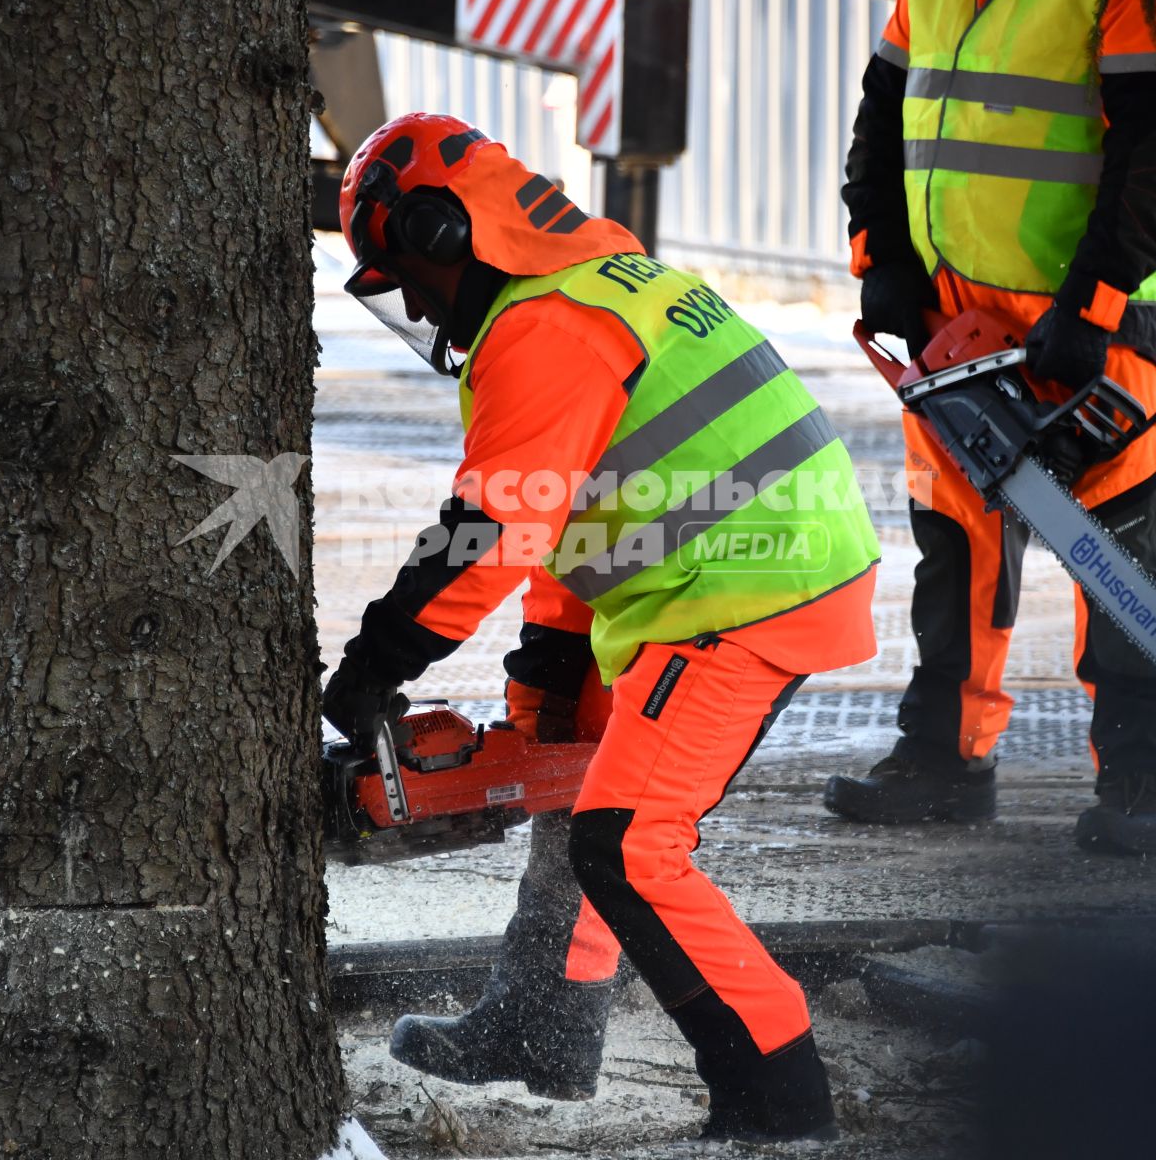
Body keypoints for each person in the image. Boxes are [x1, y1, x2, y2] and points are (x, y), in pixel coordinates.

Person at [320, 112, 882, 1140]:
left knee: (628, 841)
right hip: (719, 572)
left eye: (412, 275)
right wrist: (550, 658)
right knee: (569, 759)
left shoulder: (543, 328)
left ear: (452, 234)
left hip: (748, 594)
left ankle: (780, 1093)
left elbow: (492, 523)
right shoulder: (592, 278)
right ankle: (544, 1029)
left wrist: (376, 662)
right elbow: (576, 496)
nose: (420, 304)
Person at [826, 0, 1156, 853]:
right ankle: (944, 755)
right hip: (952, 314)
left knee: (1122, 549)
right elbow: (883, 123)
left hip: (1086, 321)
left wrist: (1090, 305)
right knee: (954, 544)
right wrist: (881, 256)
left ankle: (1144, 778)